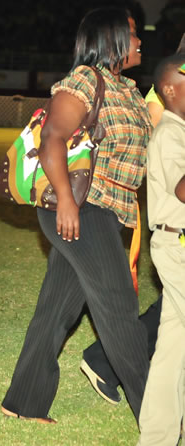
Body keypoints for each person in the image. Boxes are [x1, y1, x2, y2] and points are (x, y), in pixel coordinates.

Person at [1, 7, 152, 424]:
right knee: (120, 310)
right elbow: (52, 136)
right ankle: (157, 416)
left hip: (107, 211)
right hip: (81, 208)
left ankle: (23, 401)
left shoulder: (130, 91)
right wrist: (67, 200)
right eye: (134, 33)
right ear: (112, 39)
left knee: (57, 308)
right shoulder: (86, 79)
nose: (141, 40)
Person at [79, 33, 185, 406]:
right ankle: (104, 359)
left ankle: (107, 363)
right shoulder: (168, 91)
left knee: (170, 316)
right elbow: (154, 153)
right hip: (151, 215)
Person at [137, 53, 185, 446]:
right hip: (177, 244)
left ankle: (157, 436)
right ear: (169, 90)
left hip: (177, 244)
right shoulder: (169, 132)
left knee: (172, 346)